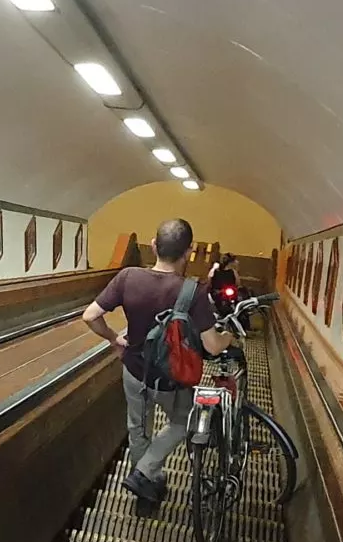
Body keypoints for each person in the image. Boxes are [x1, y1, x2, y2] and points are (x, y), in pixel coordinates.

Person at [84, 217, 237, 509]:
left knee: (138, 428)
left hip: (134, 370)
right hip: (171, 377)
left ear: (154, 245)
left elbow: (90, 316)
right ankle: (144, 472)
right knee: (182, 421)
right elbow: (212, 346)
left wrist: (114, 339)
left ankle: (146, 495)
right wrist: (228, 337)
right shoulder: (193, 292)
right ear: (189, 252)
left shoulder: (128, 277)